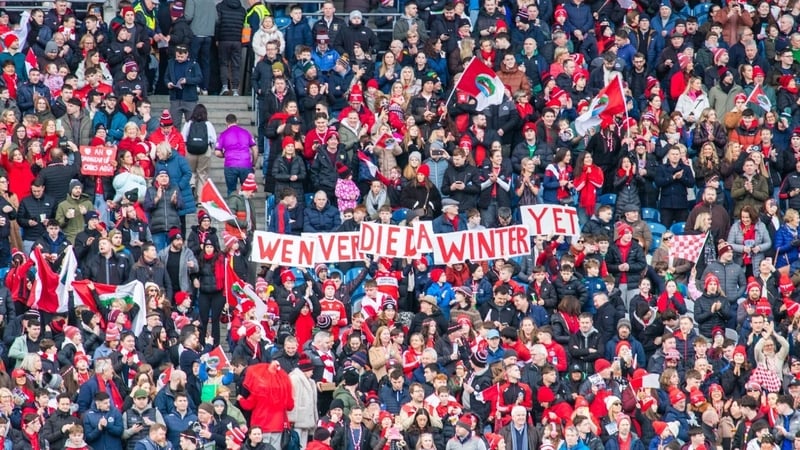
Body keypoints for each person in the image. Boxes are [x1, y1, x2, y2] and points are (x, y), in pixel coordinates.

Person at [215, 114, 257, 196]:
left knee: (231, 190)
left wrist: (225, 155)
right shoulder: (246, 132)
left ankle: (232, 208)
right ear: (237, 121)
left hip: (230, 165)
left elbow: (217, 153)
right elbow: (255, 150)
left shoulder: (223, 134)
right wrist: (253, 164)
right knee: (247, 191)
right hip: (246, 164)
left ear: (226, 123)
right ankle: (245, 207)